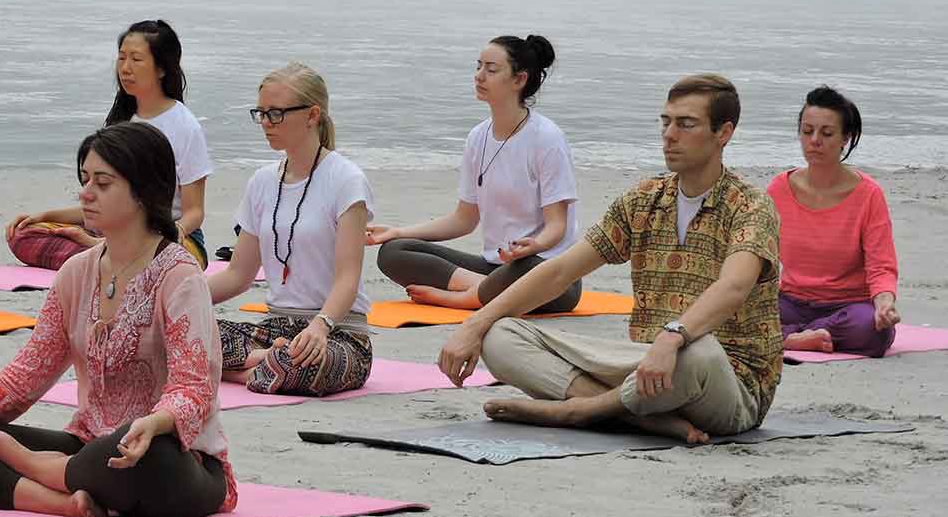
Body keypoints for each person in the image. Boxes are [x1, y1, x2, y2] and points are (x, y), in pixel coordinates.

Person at [0, 122, 235, 517]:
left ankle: (37, 468)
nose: (85, 193)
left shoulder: (179, 275)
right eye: (84, 180)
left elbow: (194, 388)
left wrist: (154, 422)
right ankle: (64, 502)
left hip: (176, 460)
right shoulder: (76, 273)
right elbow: (22, 380)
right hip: (89, 450)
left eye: (102, 183)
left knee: (139, 452)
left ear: (143, 191)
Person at [438, 74, 782, 443]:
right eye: (666, 122)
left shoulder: (750, 206)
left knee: (699, 352)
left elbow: (733, 286)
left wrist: (673, 338)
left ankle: (582, 409)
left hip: (722, 380)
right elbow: (561, 271)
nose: (669, 134)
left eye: (686, 124)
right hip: (643, 367)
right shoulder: (644, 200)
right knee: (499, 335)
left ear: (723, 133)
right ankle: (634, 416)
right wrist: (475, 325)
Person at [368, 35, 580, 312]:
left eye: (491, 70)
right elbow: (464, 220)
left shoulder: (547, 138)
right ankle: (481, 288)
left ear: (519, 80)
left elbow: (557, 227)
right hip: (496, 269)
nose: (479, 76)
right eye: (478, 67)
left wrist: (533, 246)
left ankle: (461, 297)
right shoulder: (477, 137)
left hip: (547, 272)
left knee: (526, 270)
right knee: (395, 251)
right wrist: (398, 231)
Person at [207, 62, 375, 396]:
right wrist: (172, 301)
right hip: (275, 330)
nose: (266, 124)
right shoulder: (262, 181)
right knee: (173, 335)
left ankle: (244, 368)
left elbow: (347, 279)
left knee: (297, 363)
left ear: (312, 115)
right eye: (261, 113)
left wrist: (320, 327)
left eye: (276, 114)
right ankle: (261, 363)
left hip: (336, 334)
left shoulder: (346, 180)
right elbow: (239, 274)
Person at [6, 19, 212, 270]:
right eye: (121, 58)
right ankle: (103, 252)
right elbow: (105, 202)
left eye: (136, 60)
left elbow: (194, 212)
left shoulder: (185, 127)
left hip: (170, 236)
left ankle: (102, 252)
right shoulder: (120, 120)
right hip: (113, 227)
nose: (125, 68)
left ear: (162, 68)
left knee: (157, 255)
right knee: (23, 235)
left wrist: (168, 233)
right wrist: (45, 217)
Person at [768, 86, 899, 356]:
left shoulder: (868, 194)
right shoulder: (778, 189)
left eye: (826, 133)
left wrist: (884, 304)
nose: (815, 140)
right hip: (790, 301)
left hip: (847, 306)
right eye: (807, 131)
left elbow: (881, 265)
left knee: (875, 331)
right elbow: (758, 258)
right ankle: (799, 337)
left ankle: (790, 335)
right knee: (731, 315)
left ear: (845, 138)